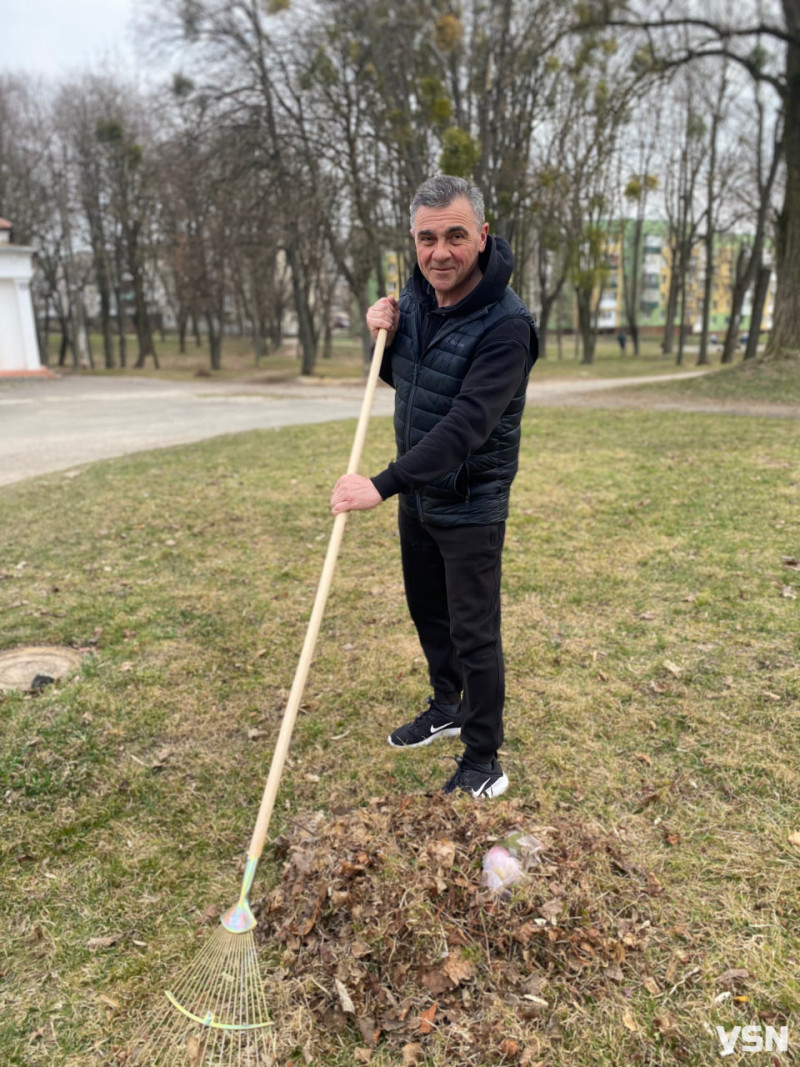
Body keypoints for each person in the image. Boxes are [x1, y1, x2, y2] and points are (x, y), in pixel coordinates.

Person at [330, 174, 538, 799]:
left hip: (470, 499)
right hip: (421, 496)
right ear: (413, 241)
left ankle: (483, 760)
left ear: (481, 234)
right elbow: (415, 380)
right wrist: (381, 337)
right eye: (427, 238)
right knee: (429, 612)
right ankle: (447, 705)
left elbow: (467, 423)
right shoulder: (417, 298)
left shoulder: (508, 326)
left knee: (475, 631)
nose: (440, 252)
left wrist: (382, 483)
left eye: (454, 235)